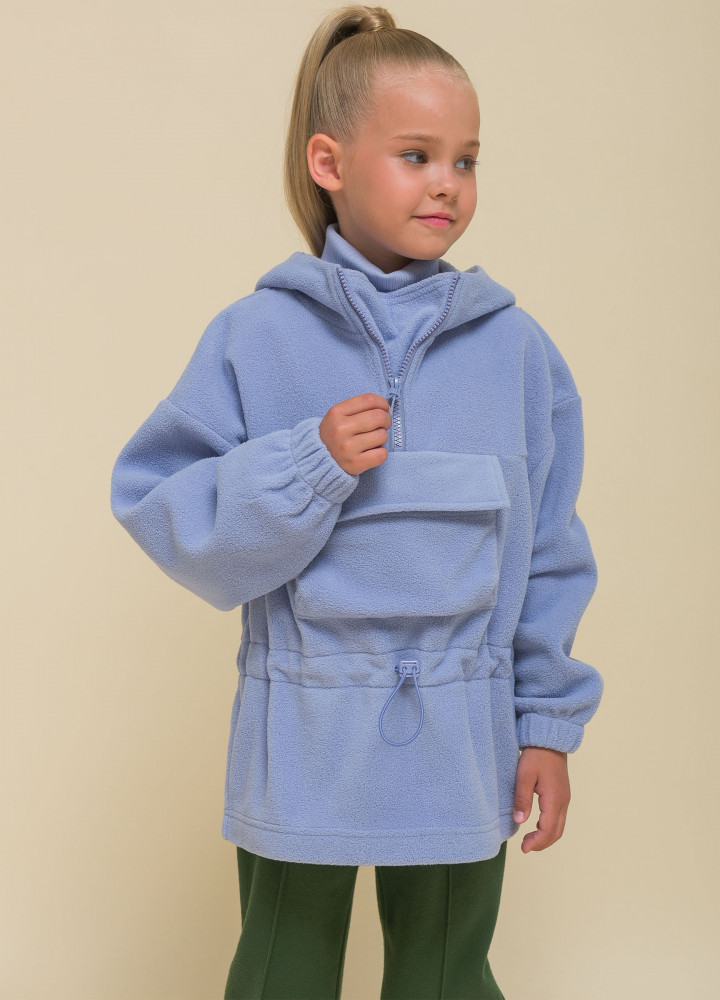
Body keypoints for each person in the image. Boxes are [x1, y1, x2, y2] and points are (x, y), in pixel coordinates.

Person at [110, 5, 604, 998]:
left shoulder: (517, 352)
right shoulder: (255, 335)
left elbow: (548, 548)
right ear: (328, 162)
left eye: (466, 160)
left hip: (466, 736)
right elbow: (161, 505)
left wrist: (546, 724)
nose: (447, 183)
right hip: (301, 732)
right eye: (416, 155)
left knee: (444, 976)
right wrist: (308, 464)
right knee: (282, 974)